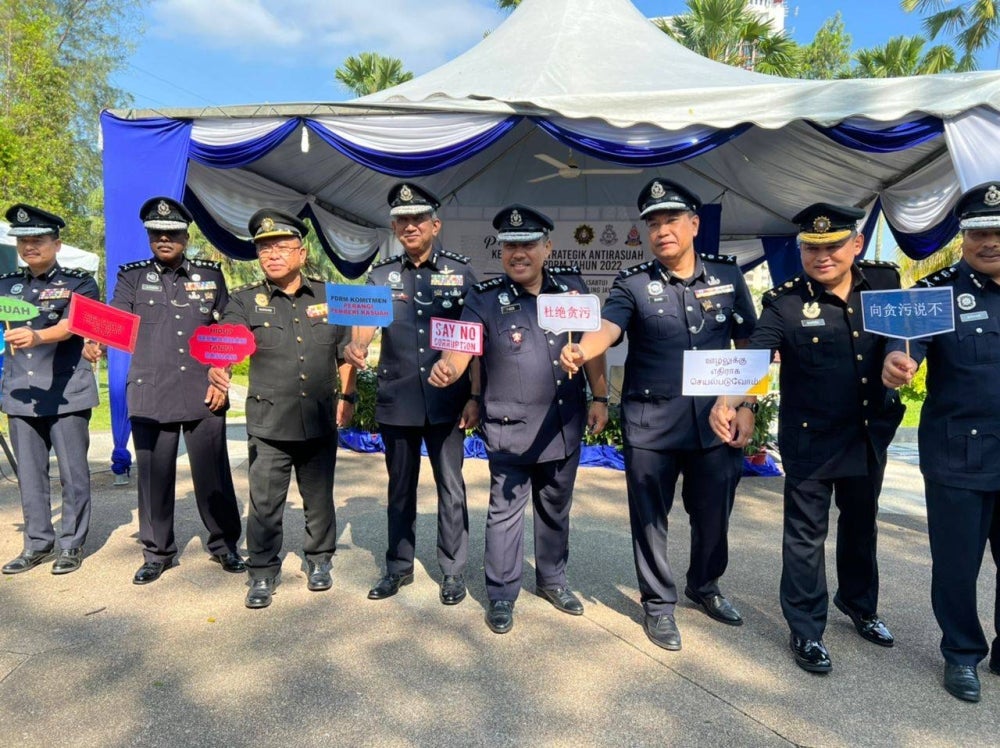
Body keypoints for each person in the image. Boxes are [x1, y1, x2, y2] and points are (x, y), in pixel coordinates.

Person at [560, 179, 756, 651]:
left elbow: (749, 344)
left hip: (717, 421)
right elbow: (606, 330)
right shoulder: (633, 283)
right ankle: (658, 605)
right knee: (650, 518)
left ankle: (704, 584)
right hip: (652, 422)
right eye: (653, 223)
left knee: (714, 517)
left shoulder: (728, 277)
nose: (662, 230)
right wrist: (579, 350)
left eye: (671, 220)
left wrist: (747, 404)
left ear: (694, 224)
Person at [710, 204, 903, 674]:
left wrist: (897, 358)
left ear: (855, 245)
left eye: (833, 245)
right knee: (804, 536)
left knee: (862, 524)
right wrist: (728, 400)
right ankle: (806, 629)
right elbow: (754, 356)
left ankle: (859, 605)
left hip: (867, 432)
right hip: (810, 437)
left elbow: (902, 335)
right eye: (812, 247)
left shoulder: (884, 283)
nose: (823, 256)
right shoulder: (785, 301)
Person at [429, 205, 609, 633]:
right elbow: (462, 347)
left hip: (562, 424)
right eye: (510, 245)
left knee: (555, 507)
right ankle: (501, 593)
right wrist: (449, 369)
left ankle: (552, 580)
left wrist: (600, 396)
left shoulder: (571, 289)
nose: (518, 252)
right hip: (509, 425)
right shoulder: (485, 297)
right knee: (505, 511)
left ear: (547, 246)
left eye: (528, 243)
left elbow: (593, 347)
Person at [882, 182, 1000, 702]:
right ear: (963, 236)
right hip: (960, 453)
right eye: (977, 231)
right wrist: (897, 362)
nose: (988, 241)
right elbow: (904, 345)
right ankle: (961, 653)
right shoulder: (939, 291)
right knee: (957, 563)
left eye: (998, 231)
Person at [208, 208, 355, 609]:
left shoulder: (331, 297)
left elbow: (345, 353)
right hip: (269, 421)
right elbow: (228, 341)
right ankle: (262, 571)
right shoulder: (244, 300)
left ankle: (320, 561)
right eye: (263, 248)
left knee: (319, 498)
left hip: (320, 417)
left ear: (302, 253)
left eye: (280, 247)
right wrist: (218, 365)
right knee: (266, 503)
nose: (271, 255)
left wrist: (348, 397)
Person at [345, 182, 478, 606]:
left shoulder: (460, 272)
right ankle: (397, 567)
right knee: (399, 488)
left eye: (418, 218)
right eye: (402, 219)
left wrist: (475, 395)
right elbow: (363, 325)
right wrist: (357, 346)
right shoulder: (381, 275)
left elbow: (475, 339)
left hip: (448, 400)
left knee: (450, 488)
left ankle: (453, 571)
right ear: (395, 227)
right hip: (397, 398)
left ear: (435, 225)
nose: (409, 225)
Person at [109, 197, 245, 585]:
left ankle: (224, 545)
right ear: (150, 237)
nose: (164, 238)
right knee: (153, 475)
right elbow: (114, 321)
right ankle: (157, 552)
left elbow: (229, 330)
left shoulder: (210, 275)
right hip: (152, 391)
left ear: (186, 236)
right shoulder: (131, 277)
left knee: (213, 473)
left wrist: (222, 371)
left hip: (205, 390)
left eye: (171, 232)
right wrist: (95, 340)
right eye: (156, 233)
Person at [0, 204, 98, 575]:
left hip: (65, 390)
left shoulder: (79, 282)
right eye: (23, 240)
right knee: (29, 474)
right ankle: (37, 543)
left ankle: (72, 544)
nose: (29, 247)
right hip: (20, 391)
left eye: (37, 240)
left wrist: (37, 335)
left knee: (74, 474)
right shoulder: (5, 284)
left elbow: (75, 324)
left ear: (57, 244)